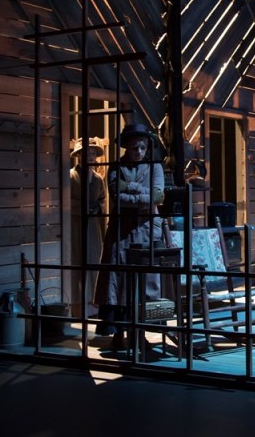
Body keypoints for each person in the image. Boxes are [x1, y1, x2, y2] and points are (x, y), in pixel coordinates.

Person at [94, 123, 165, 344]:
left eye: (143, 147)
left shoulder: (155, 167)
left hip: (146, 230)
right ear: (127, 147)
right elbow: (119, 198)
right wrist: (144, 196)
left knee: (144, 281)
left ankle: (139, 334)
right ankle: (118, 334)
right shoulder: (117, 168)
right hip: (121, 232)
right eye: (135, 147)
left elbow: (158, 197)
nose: (139, 152)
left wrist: (132, 188)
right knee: (118, 279)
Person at [70, 137, 107, 318]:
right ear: (79, 156)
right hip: (75, 224)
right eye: (87, 153)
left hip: (92, 225)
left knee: (94, 260)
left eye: (93, 153)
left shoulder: (98, 178)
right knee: (77, 260)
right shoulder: (70, 176)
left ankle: (94, 304)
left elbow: (102, 200)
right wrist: (82, 208)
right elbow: (66, 201)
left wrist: (97, 208)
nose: (91, 156)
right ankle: (77, 305)